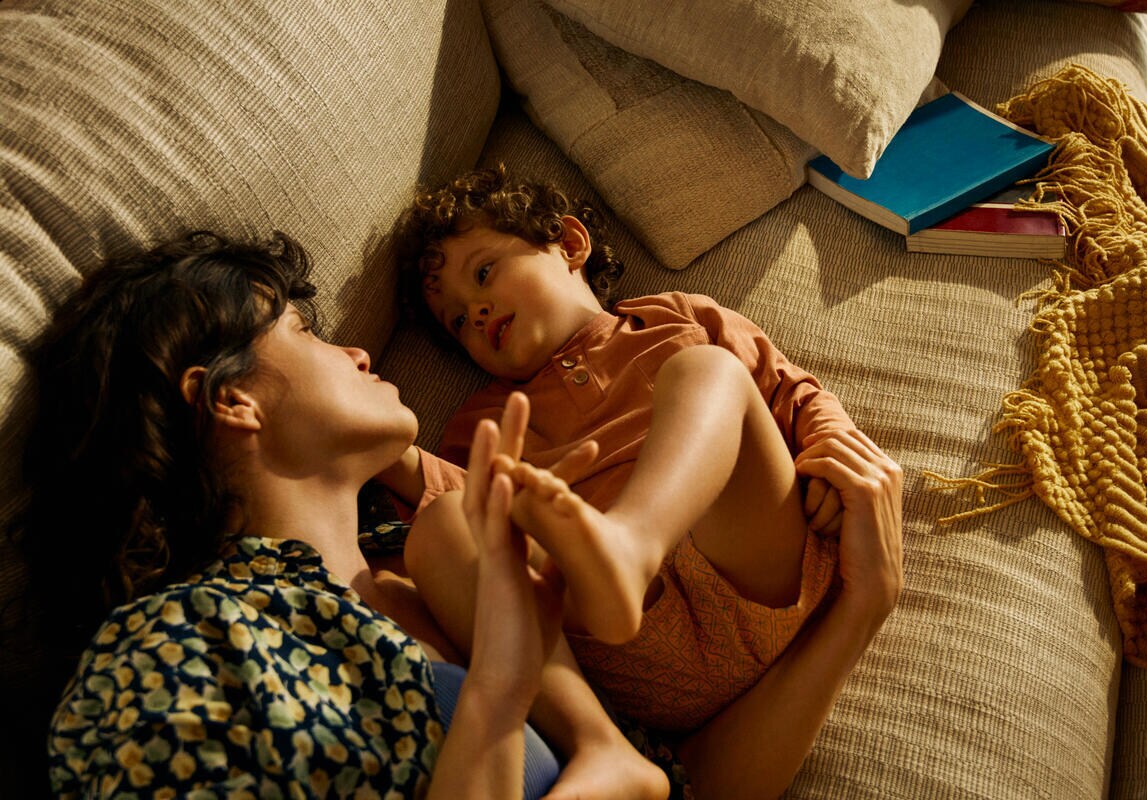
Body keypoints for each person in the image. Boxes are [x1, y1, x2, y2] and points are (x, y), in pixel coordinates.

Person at [20, 230, 666, 799]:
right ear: (232, 399)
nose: (358, 352)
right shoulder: (173, 651)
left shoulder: (442, 572)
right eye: (304, 332)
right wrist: (498, 689)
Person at [395, 165, 906, 798]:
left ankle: (630, 540)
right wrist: (400, 460)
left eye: (482, 274)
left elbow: (790, 388)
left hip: (755, 563)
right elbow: (471, 509)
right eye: (458, 323)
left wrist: (829, 441)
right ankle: (596, 728)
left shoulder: (675, 317)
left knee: (709, 373)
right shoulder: (483, 420)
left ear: (571, 243)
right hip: (631, 648)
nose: (476, 312)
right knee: (449, 521)